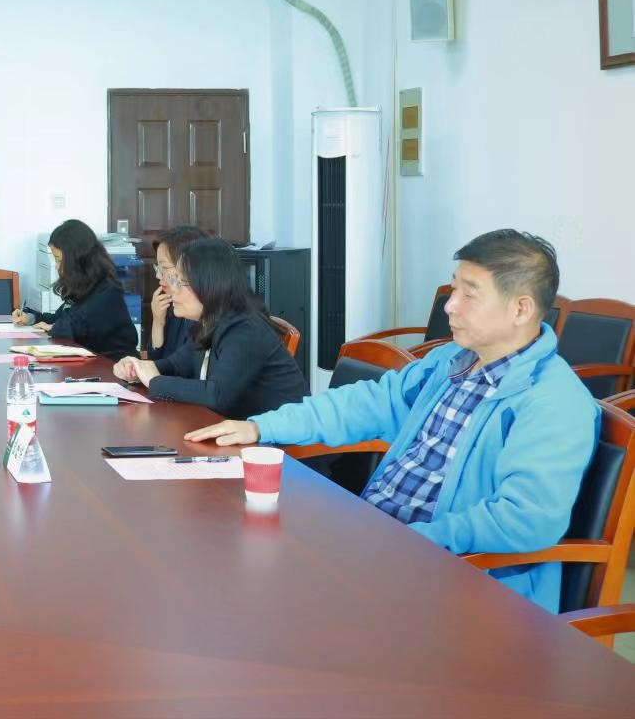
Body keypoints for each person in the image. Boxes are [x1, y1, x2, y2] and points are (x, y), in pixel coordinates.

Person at [187, 230, 599, 612]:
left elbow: (526, 520)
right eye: (454, 288)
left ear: (521, 309)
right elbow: (366, 404)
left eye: (469, 293)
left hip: (459, 580)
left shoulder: (554, 402)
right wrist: (261, 427)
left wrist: (412, 541)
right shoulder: (450, 362)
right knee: (230, 556)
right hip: (383, 543)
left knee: (265, 593)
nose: (450, 305)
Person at [114, 237, 308, 420]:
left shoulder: (245, 329)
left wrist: (154, 380)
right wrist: (138, 370)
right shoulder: (208, 322)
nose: (174, 291)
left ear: (209, 286)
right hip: (234, 429)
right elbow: (176, 365)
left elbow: (217, 395)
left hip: (276, 438)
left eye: (181, 283)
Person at [11, 219, 137, 356]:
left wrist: (54, 328)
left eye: (59, 260)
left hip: (114, 363)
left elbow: (78, 328)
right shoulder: (82, 285)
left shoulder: (105, 289)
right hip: (90, 360)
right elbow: (61, 318)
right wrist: (31, 318)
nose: (57, 266)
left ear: (77, 259)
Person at [149, 224, 210, 367]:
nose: (158, 275)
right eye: (158, 267)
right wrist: (158, 322)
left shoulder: (202, 310)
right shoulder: (171, 303)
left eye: (164, 267)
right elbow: (158, 361)